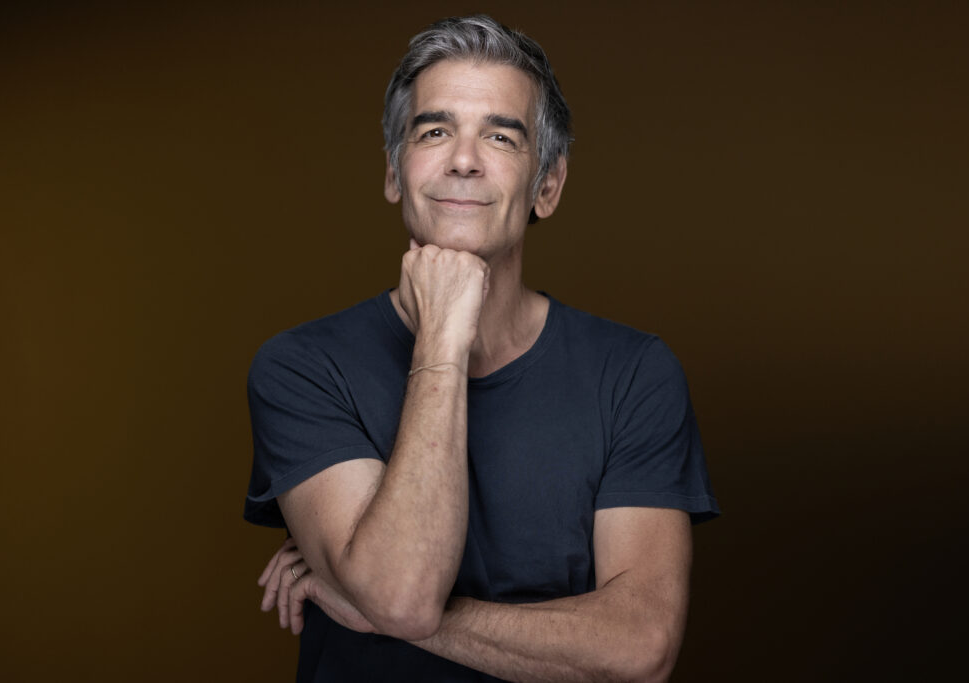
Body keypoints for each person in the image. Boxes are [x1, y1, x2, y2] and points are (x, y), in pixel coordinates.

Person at [244, 14, 719, 682]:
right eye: (434, 131)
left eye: (500, 136)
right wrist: (443, 335)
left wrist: (385, 607)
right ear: (394, 172)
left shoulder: (633, 373)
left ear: (546, 186)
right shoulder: (300, 367)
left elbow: (640, 648)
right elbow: (404, 591)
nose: (463, 159)